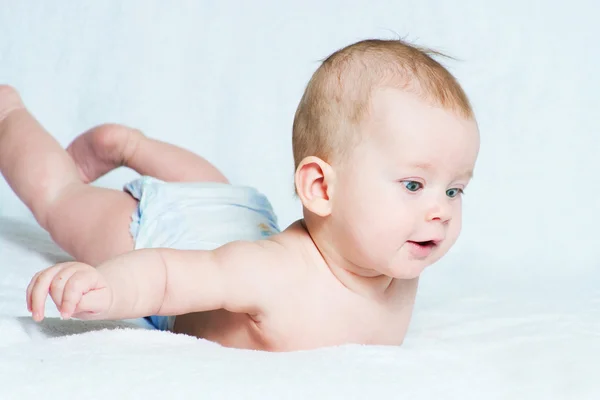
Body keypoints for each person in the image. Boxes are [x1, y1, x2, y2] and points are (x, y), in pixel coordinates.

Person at [0, 38, 480, 351]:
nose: (440, 211)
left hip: (239, 212)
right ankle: (9, 114)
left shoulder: (396, 261)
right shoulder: (271, 274)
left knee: (214, 191)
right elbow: (167, 276)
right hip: (162, 230)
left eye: (455, 189)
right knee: (61, 197)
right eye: (414, 185)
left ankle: (130, 145)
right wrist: (106, 288)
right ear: (320, 188)